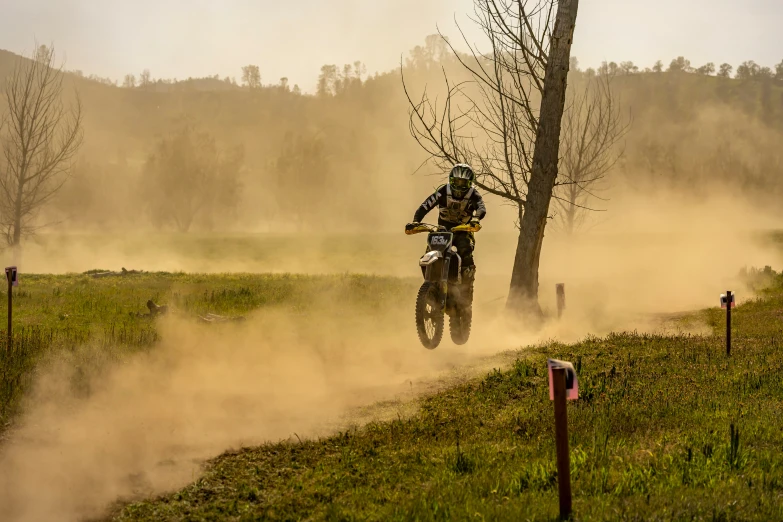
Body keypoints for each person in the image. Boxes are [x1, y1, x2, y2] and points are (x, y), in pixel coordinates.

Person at [406, 163, 486, 305]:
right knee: (428, 252)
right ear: (451, 180)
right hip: (443, 230)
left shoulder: (473, 194)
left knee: (465, 250)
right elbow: (425, 206)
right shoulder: (443, 191)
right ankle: (431, 286)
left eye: (463, 183)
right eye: (457, 182)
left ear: (469, 183)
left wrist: (475, 218)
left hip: (463, 231)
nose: (460, 187)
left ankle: (466, 289)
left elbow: (481, 207)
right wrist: (416, 221)